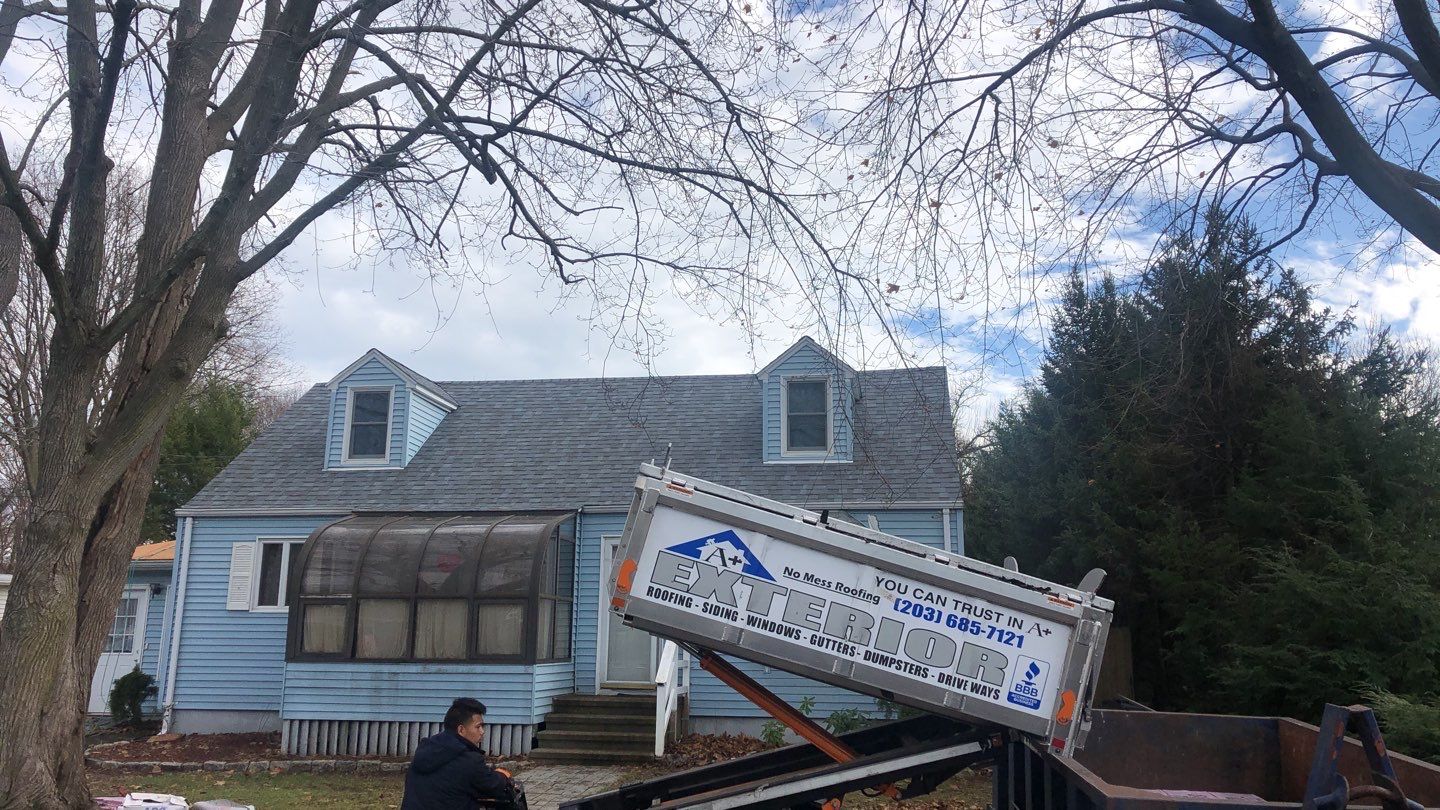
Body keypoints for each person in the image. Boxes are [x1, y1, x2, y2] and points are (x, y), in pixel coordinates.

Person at [401, 697, 525, 809]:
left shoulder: (425, 749)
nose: (482, 732)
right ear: (461, 729)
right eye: (478, 727)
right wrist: (503, 775)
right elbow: (494, 786)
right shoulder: (469, 760)